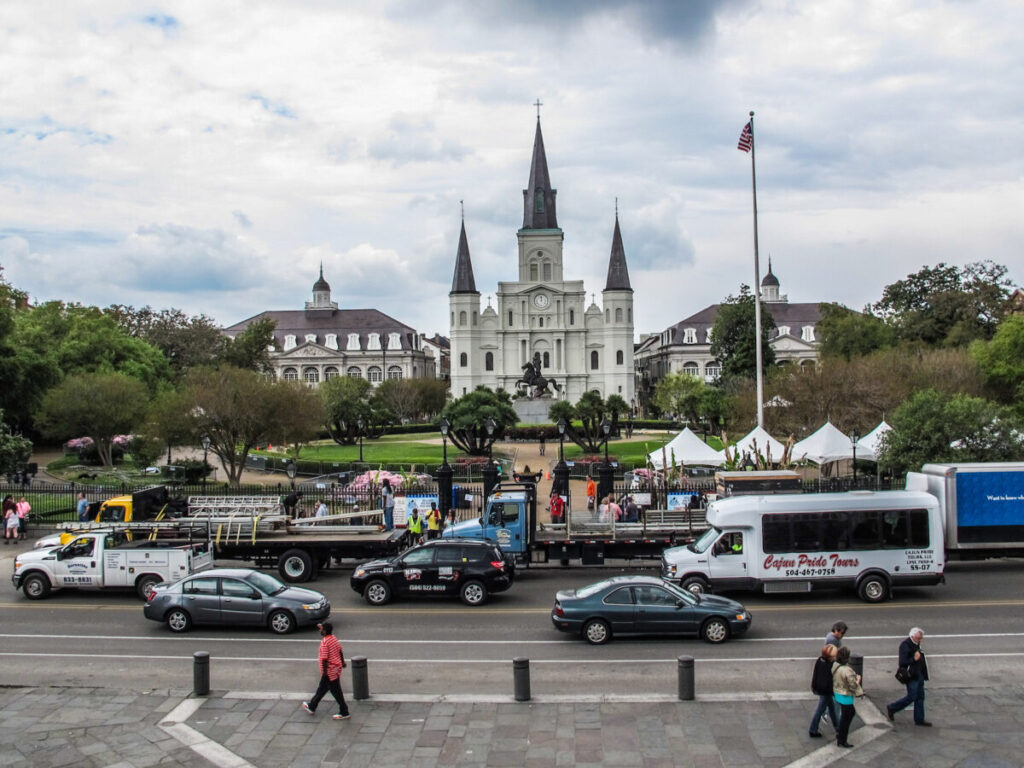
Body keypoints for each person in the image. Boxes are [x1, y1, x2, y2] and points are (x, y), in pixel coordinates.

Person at [301, 622, 350, 721]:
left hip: (329, 671)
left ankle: (344, 711)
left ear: (325, 631)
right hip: (336, 668)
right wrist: (343, 662)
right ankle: (312, 706)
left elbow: (324, 659)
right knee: (322, 689)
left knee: (336, 691)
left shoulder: (325, 642)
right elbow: (340, 650)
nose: (320, 630)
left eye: (321, 629)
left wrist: (324, 672)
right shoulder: (333, 638)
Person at [887, 627, 931, 726]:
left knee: (920, 697)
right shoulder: (905, 645)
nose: (920, 640)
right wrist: (914, 659)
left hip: (919, 674)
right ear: (912, 636)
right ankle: (892, 707)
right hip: (911, 676)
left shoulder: (916, 644)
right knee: (912, 697)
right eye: (919, 638)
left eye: (921, 638)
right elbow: (902, 662)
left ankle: (919, 719)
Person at [831, 646, 862, 748]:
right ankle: (842, 738)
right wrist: (858, 679)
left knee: (847, 714)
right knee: (846, 717)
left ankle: (840, 735)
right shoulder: (847, 670)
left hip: (837, 693)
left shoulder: (835, 665)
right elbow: (853, 686)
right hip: (846, 696)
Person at [809, 644, 838, 738]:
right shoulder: (831, 665)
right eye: (834, 655)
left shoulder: (820, 660)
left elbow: (815, 674)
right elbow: (830, 680)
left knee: (832, 708)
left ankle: (838, 728)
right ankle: (813, 729)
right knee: (820, 710)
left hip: (822, 689)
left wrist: (813, 686)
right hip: (826, 691)